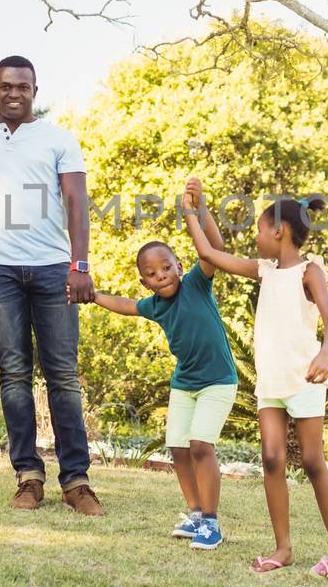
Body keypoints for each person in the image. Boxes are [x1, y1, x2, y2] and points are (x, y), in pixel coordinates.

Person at [0, 56, 103, 515]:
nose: (14, 93)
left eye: (23, 87)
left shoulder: (59, 139)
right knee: (13, 376)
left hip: (54, 270)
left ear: (35, 90)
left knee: (63, 377)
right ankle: (28, 478)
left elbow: (77, 203)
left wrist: (80, 264)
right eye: (6, 86)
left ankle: (77, 483)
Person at [183, 184, 328, 578]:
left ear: (279, 232)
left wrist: (325, 354)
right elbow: (209, 253)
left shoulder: (310, 271)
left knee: (312, 461)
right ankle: (283, 548)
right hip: (271, 382)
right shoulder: (264, 271)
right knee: (272, 458)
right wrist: (193, 209)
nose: (255, 238)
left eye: (259, 230)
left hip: (305, 379)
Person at [92, 178, 238, 550]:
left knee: (201, 444)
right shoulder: (154, 305)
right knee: (177, 447)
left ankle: (211, 523)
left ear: (178, 265)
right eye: (153, 274)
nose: (162, 276)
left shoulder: (196, 284)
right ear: (146, 282)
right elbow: (125, 306)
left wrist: (199, 207)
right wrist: (93, 296)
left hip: (218, 381)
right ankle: (194, 513)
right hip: (185, 383)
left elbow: (214, 249)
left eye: (167, 267)